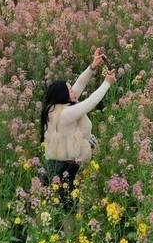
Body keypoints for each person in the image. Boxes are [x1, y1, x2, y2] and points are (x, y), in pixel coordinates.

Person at [40, 47, 115, 208]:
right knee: (67, 207)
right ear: (62, 95)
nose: (73, 91)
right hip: (65, 169)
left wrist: (92, 67)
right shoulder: (64, 114)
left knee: (69, 204)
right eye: (69, 90)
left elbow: (79, 84)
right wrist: (106, 83)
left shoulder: (59, 106)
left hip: (70, 165)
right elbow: (91, 102)